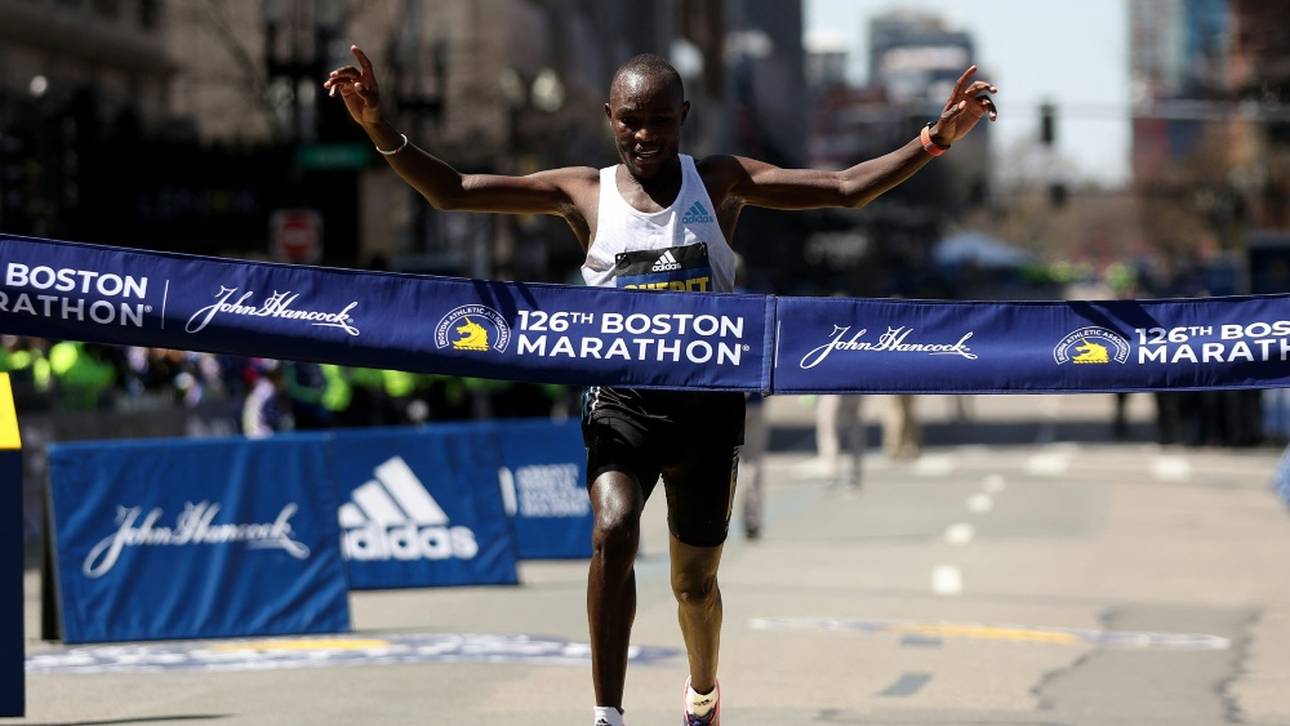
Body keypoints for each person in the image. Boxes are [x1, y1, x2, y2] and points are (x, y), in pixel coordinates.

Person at [325, 45, 996, 726]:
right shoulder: (582, 192)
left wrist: (934, 139)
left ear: (684, 117)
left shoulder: (721, 181)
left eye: (658, 122)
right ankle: (607, 714)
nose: (643, 136)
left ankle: (702, 690)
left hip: (708, 414)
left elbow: (847, 189)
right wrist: (380, 126)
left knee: (694, 585)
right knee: (613, 530)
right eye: (628, 122)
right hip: (622, 406)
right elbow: (453, 191)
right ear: (608, 117)